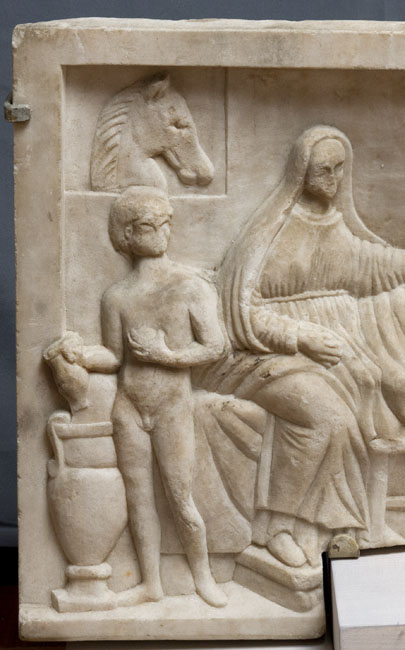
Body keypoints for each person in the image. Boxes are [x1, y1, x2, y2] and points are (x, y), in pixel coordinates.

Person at [205, 125, 405, 567]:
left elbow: (368, 263)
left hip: (328, 350)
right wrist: (298, 336)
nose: (334, 179)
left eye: (341, 169)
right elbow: (240, 312)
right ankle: (277, 526)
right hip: (259, 355)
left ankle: (348, 524)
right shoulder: (269, 232)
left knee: (372, 388)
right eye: (324, 169)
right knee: (327, 416)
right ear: (301, 171)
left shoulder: (332, 225)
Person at [90, 185, 229, 607]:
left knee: (181, 497)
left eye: (166, 222)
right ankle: (151, 583)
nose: (162, 232)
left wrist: (167, 355)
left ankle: (203, 577)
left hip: (172, 405)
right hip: (129, 407)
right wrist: (79, 355)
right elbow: (113, 356)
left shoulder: (190, 286)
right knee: (139, 499)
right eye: (150, 225)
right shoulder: (116, 296)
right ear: (128, 235)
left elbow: (215, 346)